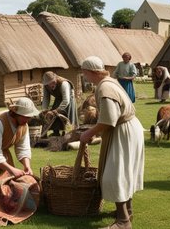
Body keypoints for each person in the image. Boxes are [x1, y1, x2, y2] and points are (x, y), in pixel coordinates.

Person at [79, 56, 144, 229]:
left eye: (84, 73)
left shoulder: (106, 87)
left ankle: (123, 222)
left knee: (114, 175)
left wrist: (89, 133)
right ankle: (127, 212)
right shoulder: (110, 82)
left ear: (91, 72)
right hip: (127, 129)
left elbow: (109, 120)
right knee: (123, 172)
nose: (84, 76)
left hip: (123, 131)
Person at [41, 71, 79, 136]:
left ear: (55, 79)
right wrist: (45, 110)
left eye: (53, 81)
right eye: (49, 83)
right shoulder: (46, 86)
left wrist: (56, 110)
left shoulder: (64, 83)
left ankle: (68, 133)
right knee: (54, 117)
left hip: (69, 100)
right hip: (58, 99)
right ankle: (56, 133)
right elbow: (46, 98)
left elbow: (66, 100)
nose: (51, 84)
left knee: (68, 117)